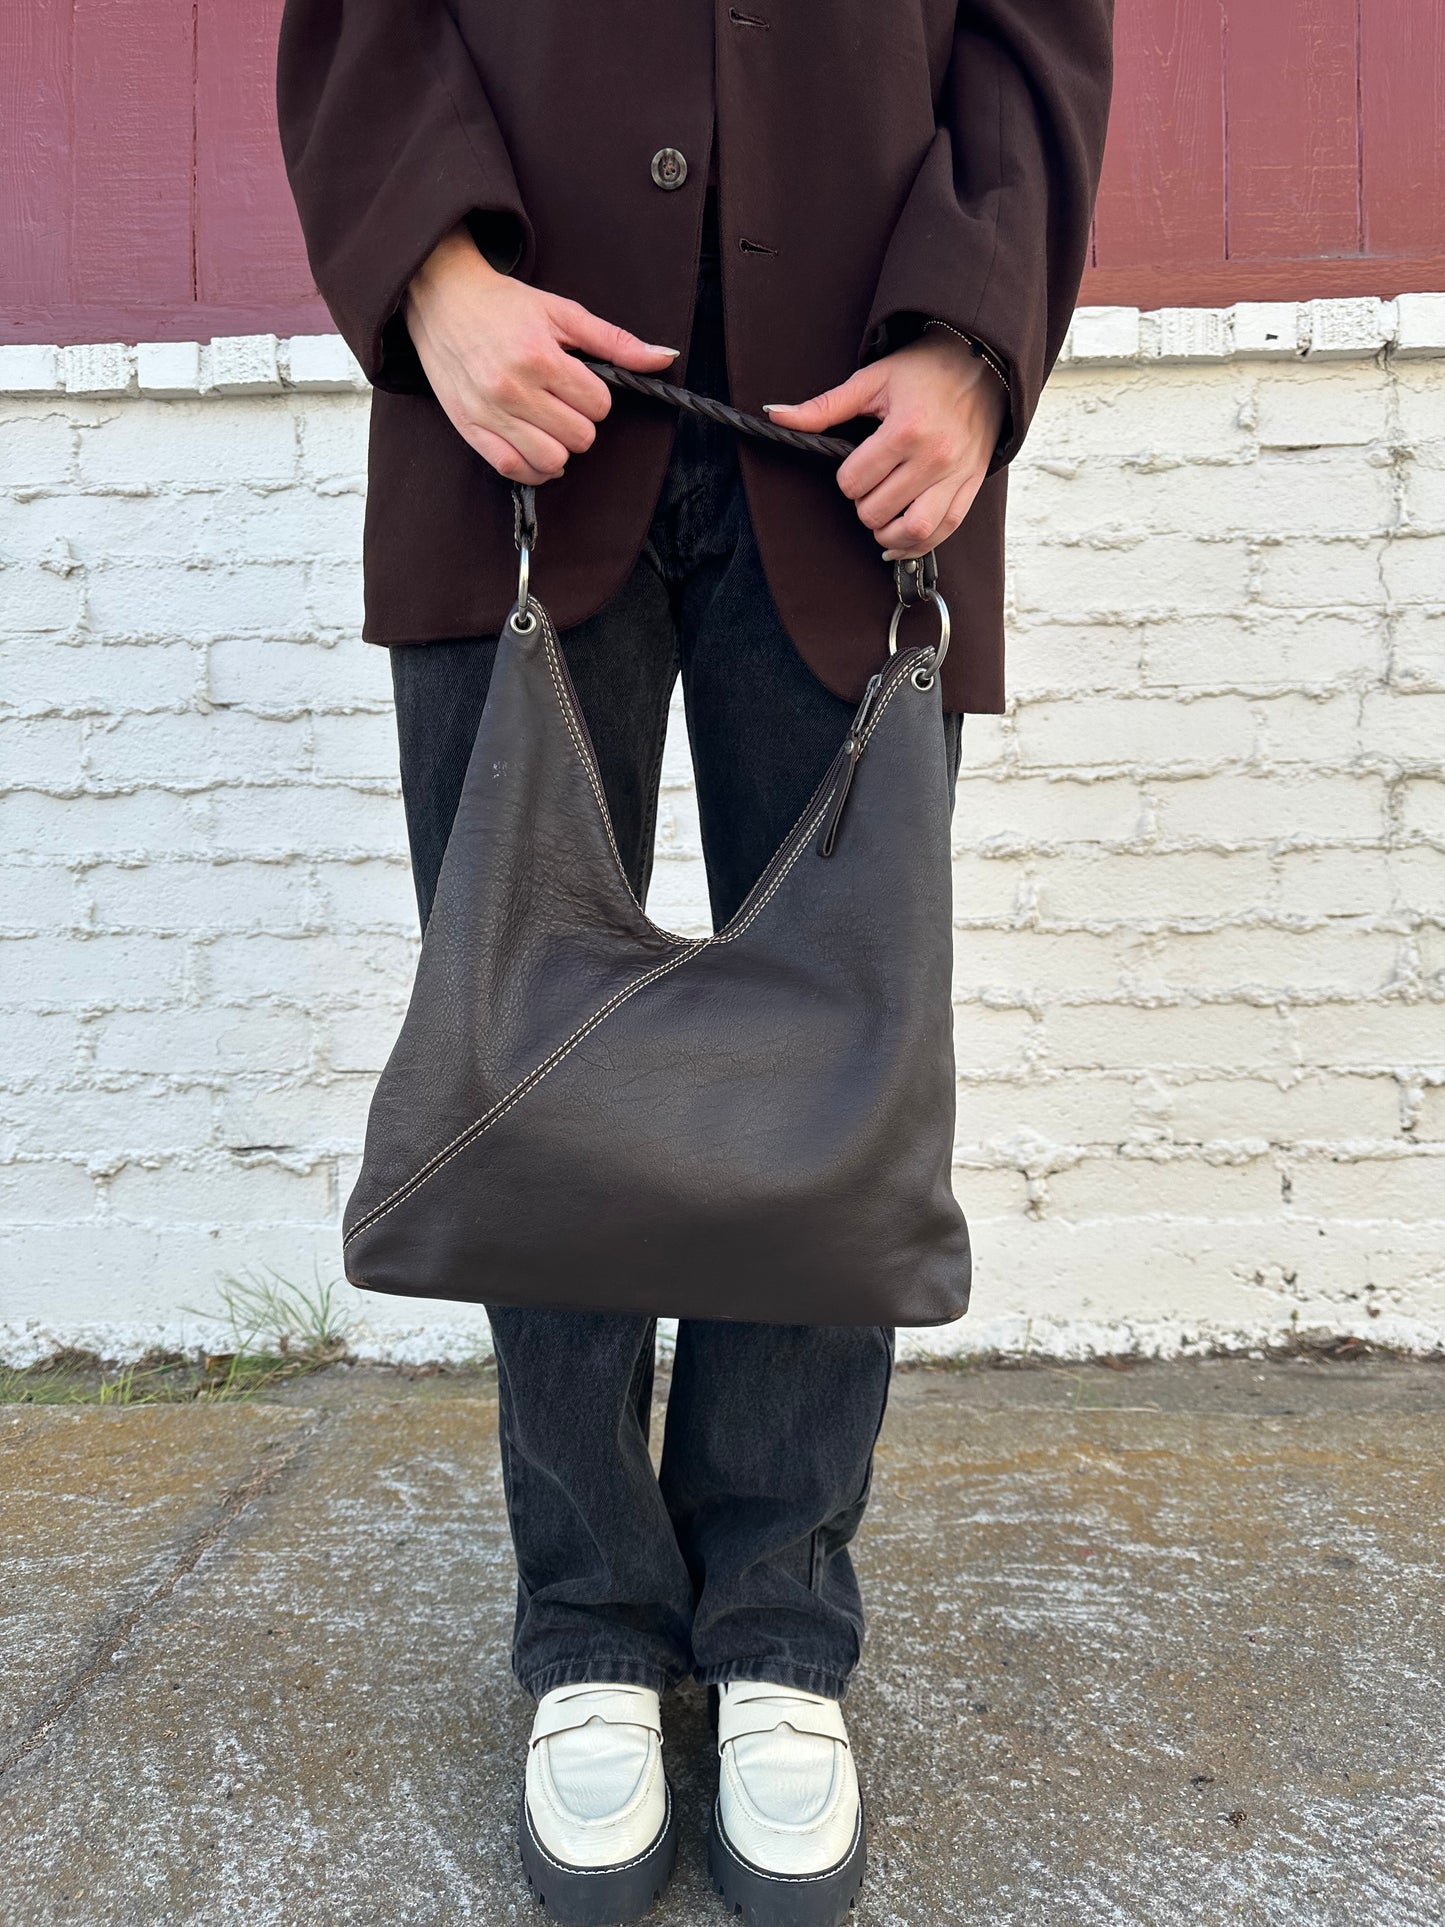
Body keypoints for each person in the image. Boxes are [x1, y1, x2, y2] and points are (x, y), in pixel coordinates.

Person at [278, 7, 1112, 1923]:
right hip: (513, 405)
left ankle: (777, 1627)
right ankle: (585, 1623)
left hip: (864, 436)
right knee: (533, 1074)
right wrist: (438, 278)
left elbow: (1034, 29)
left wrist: (972, 342)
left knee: (831, 1079)